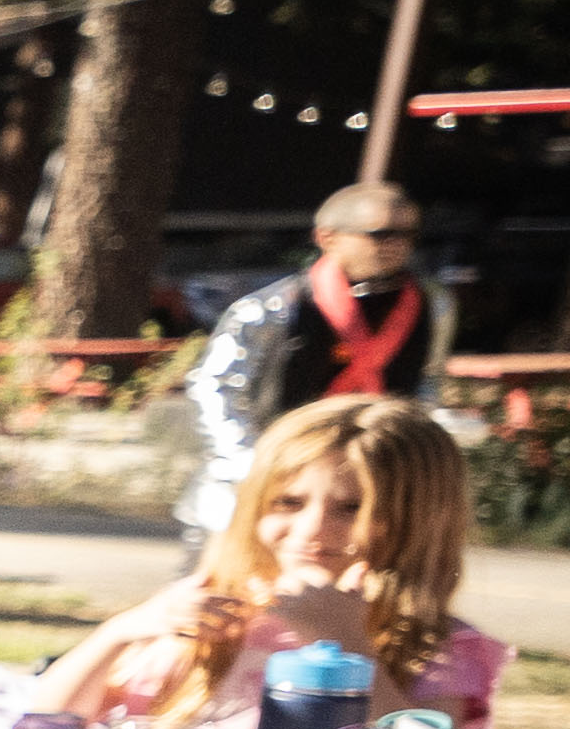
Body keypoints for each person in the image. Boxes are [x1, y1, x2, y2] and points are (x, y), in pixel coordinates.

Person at [46, 394, 505, 729]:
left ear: (419, 520)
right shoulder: (209, 613)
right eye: (288, 501)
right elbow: (48, 720)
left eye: (352, 508)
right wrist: (121, 631)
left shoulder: (437, 645)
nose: (312, 529)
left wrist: (347, 641)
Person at [177, 182, 450, 544]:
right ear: (328, 237)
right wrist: (251, 460)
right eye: (380, 234)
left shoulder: (434, 306)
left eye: (408, 234)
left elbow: (426, 382)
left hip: (364, 480)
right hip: (263, 477)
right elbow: (216, 385)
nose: (397, 245)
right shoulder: (273, 308)